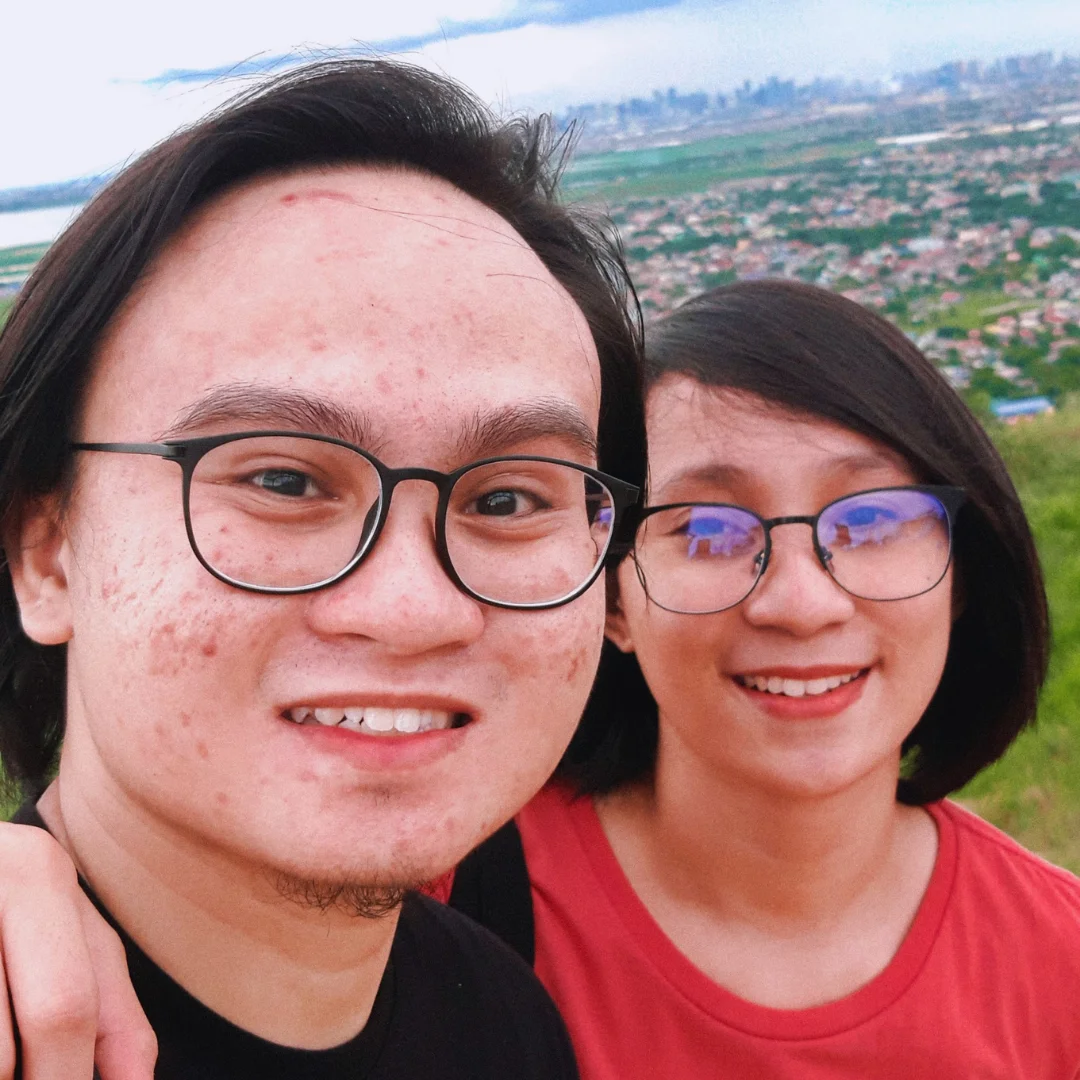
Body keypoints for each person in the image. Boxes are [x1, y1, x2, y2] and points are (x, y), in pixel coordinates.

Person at [3, 276, 1078, 1077]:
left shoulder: (1059, 960)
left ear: (961, 574)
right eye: (705, 529)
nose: (801, 601)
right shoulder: (421, 875)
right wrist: (34, 877)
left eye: (874, 522)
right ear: (604, 596)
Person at [0, 58, 645, 1080]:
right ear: (47, 553)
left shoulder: (507, 1020)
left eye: (509, 500)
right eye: (284, 481)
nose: (414, 606)